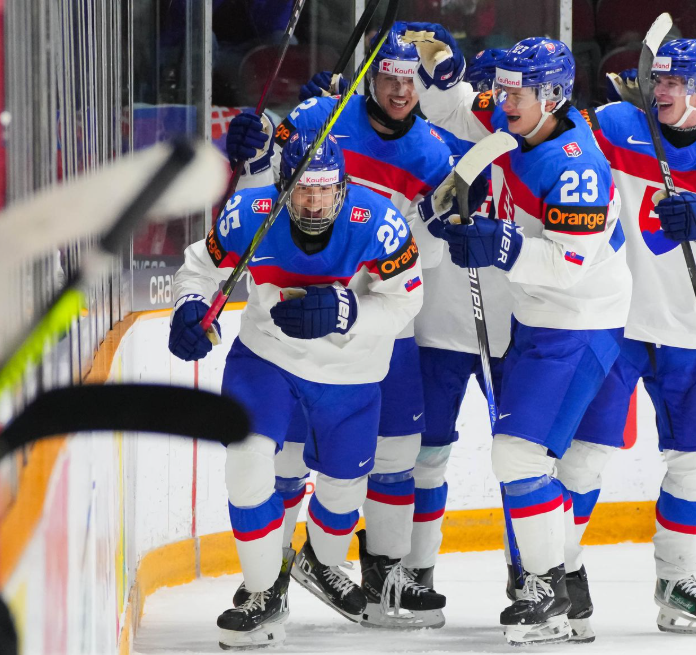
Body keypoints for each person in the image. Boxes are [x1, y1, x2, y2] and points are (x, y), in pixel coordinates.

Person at [224, 22, 483, 629]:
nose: (399, 91)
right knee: (278, 456)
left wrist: (437, 231)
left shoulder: (432, 153)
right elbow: (260, 193)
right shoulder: (318, 116)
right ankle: (268, 578)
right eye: (388, 77)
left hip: (377, 327)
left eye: (409, 79)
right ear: (370, 78)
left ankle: (383, 572)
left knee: (395, 453)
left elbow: (426, 260)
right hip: (293, 319)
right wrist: (250, 155)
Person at [403, 24, 632, 645]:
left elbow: (570, 264)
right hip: (540, 318)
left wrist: (502, 246)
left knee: (520, 455)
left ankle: (547, 585)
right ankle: (558, 584)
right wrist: (442, 75)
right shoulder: (520, 116)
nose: (502, 102)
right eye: (501, 90)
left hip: (578, 320)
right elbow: (453, 110)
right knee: (545, 459)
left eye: (515, 94)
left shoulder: (575, 165)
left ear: (552, 98)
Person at [168, 131, 424, 649]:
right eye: (303, 190)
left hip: (352, 375)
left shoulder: (380, 222)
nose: (313, 203)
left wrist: (346, 310)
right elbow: (199, 267)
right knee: (247, 462)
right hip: (268, 358)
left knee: (341, 497)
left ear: (343, 188)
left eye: (325, 191)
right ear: (283, 186)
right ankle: (263, 593)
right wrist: (189, 307)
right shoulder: (249, 213)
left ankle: (320, 562)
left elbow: (407, 301)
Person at [555, 38, 696, 641]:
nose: (665, 91)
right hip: (613, 322)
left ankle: (677, 582)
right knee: (586, 453)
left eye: (681, 84)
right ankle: (557, 572)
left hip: (687, 331)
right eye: (661, 81)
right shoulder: (619, 124)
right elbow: (552, 144)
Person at [403, 46, 513, 597]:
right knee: (424, 456)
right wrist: (431, 216)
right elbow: (404, 237)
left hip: (512, 336)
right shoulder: (431, 146)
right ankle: (414, 570)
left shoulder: (533, 155)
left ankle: (529, 572)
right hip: (437, 331)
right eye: (486, 90)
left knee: (523, 461)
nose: (494, 103)